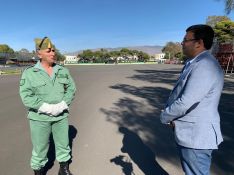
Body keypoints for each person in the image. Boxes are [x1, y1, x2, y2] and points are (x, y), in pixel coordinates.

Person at [160, 24, 224, 175]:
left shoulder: (204, 65)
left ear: (199, 43)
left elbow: (186, 101)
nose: (182, 43)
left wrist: (165, 115)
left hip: (196, 137)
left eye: (185, 40)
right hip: (192, 134)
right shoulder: (195, 63)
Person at [19, 37, 76, 175]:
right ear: (39, 54)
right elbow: (26, 95)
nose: (53, 53)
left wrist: (63, 104)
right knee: (40, 147)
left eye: (54, 50)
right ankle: (38, 171)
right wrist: (45, 108)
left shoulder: (62, 70)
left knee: (63, 144)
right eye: (49, 51)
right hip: (39, 118)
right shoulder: (30, 73)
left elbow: (71, 89)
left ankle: (64, 168)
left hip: (61, 116)